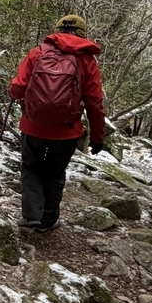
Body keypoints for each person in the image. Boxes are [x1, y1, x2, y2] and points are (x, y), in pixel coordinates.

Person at [8, 15, 105, 233]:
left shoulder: (38, 52)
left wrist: (12, 92)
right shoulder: (87, 61)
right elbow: (94, 102)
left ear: (57, 30)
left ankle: (31, 215)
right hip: (66, 131)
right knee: (54, 173)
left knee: (31, 168)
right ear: (82, 33)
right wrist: (98, 137)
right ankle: (48, 220)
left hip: (33, 126)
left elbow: (19, 87)